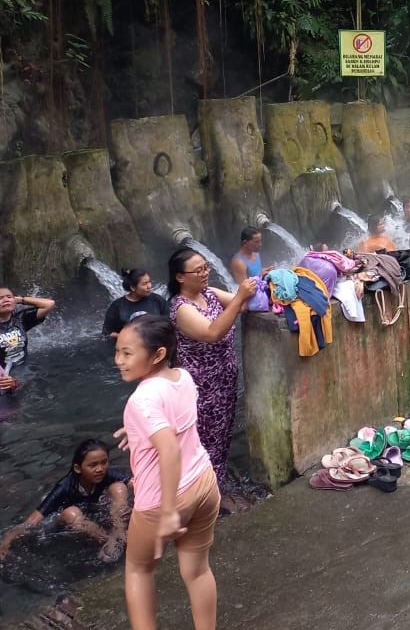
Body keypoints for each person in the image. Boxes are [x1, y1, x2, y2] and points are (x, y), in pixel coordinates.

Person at [113, 315, 222, 630]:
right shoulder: (182, 377)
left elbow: (169, 449)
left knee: (138, 569)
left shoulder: (141, 400)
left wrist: (170, 512)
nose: (118, 360)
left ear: (157, 354)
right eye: (118, 350)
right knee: (198, 571)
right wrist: (135, 430)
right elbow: (178, 420)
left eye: (127, 353)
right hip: (204, 483)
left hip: (162, 501)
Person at [167, 248, 257, 488]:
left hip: (224, 382)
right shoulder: (182, 308)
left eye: (206, 267)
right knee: (204, 441)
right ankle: (202, 492)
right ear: (180, 277)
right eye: (198, 270)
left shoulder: (209, 293)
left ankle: (216, 488)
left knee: (222, 436)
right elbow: (212, 333)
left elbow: (244, 306)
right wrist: (239, 297)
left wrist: (260, 283)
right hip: (201, 390)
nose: (206, 273)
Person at [0, 439, 131, 572]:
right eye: (92, 465)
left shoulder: (107, 474)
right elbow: (31, 521)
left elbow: (136, 483)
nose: (100, 469)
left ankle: (119, 533)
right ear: (78, 468)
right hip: (71, 523)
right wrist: (3, 545)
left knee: (119, 487)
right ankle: (107, 541)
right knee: (71, 512)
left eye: (104, 462)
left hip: (97, 513)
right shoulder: (65, 486)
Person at [0, 287, 55, 369]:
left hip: (24, 371)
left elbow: (49, 304)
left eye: (9, 297)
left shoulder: (20, 319)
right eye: (0, 298)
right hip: (0, 376)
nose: (6, 299)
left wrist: (21, 300)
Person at [104, 268, 170, 339]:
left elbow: (168, 324)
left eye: (149, 282)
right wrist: (129, 337)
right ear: (133, 287)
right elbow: (107, 333)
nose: (149, 286)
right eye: (145, 284)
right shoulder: (117, 306)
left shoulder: (157, 300)